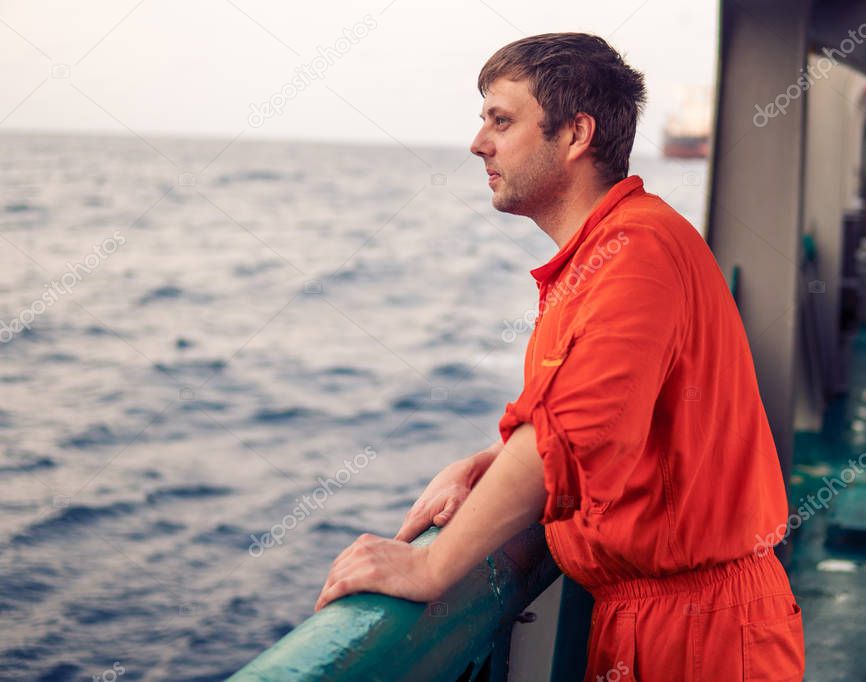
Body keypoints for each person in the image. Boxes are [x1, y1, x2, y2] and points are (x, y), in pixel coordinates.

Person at [316, 32, 805, 681]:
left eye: (501, 120)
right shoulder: (615, 248)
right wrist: (490, 464)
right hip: (660, 619)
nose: (477, 143)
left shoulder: (635, 255)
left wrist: (431, 565)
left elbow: (573, 429)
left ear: (574, 135)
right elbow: (610, 422)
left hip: (699, 635)